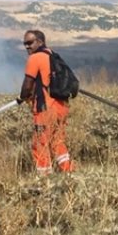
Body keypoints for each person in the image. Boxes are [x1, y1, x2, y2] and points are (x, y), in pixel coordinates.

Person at [17, 29, 74, 173]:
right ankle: (69, 173)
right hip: (61, 107)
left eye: (30, 43)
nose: (27, 47)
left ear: (40, 42)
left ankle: (44, 180)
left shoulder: (35, 58)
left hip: (45, 109)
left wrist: (22, 97)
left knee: (40, 144)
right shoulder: (52, 55)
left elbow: (27, 85)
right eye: (25, 44)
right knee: (58, 142)